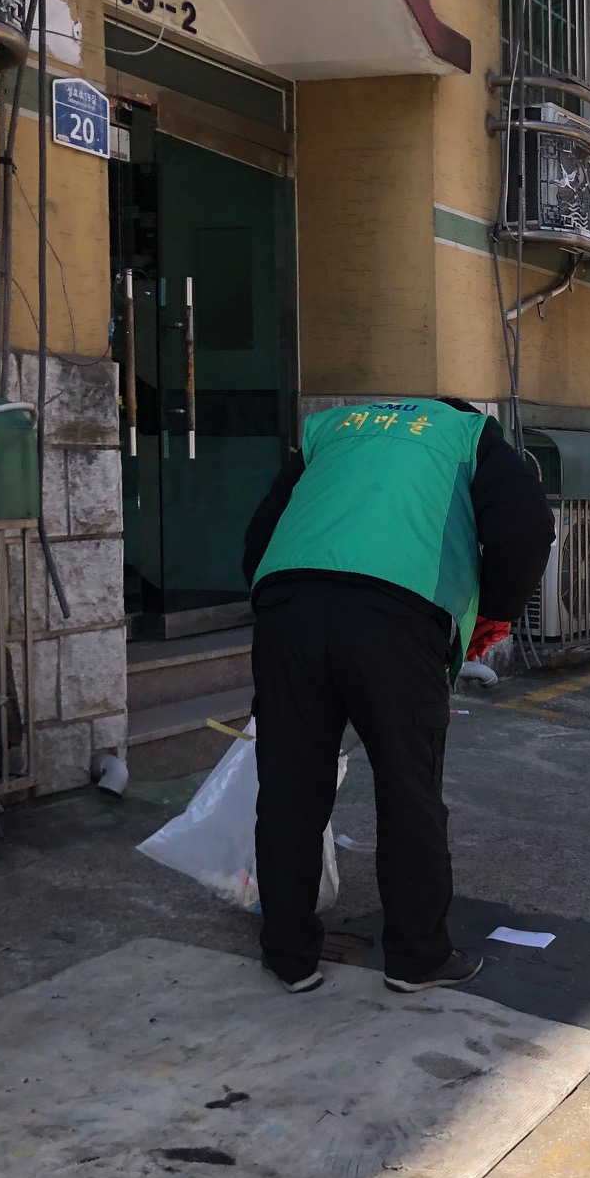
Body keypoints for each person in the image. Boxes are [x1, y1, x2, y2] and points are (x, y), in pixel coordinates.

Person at [241, 398, 552, 995]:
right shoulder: (470, 433)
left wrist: (278, 600)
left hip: (288, 607)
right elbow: (527, 523)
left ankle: (288, 955)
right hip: (395, 615)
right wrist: (498, 609)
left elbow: (263, 530)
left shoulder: (332, 428)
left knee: (289, 788)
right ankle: (416, 957)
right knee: (409, 789)